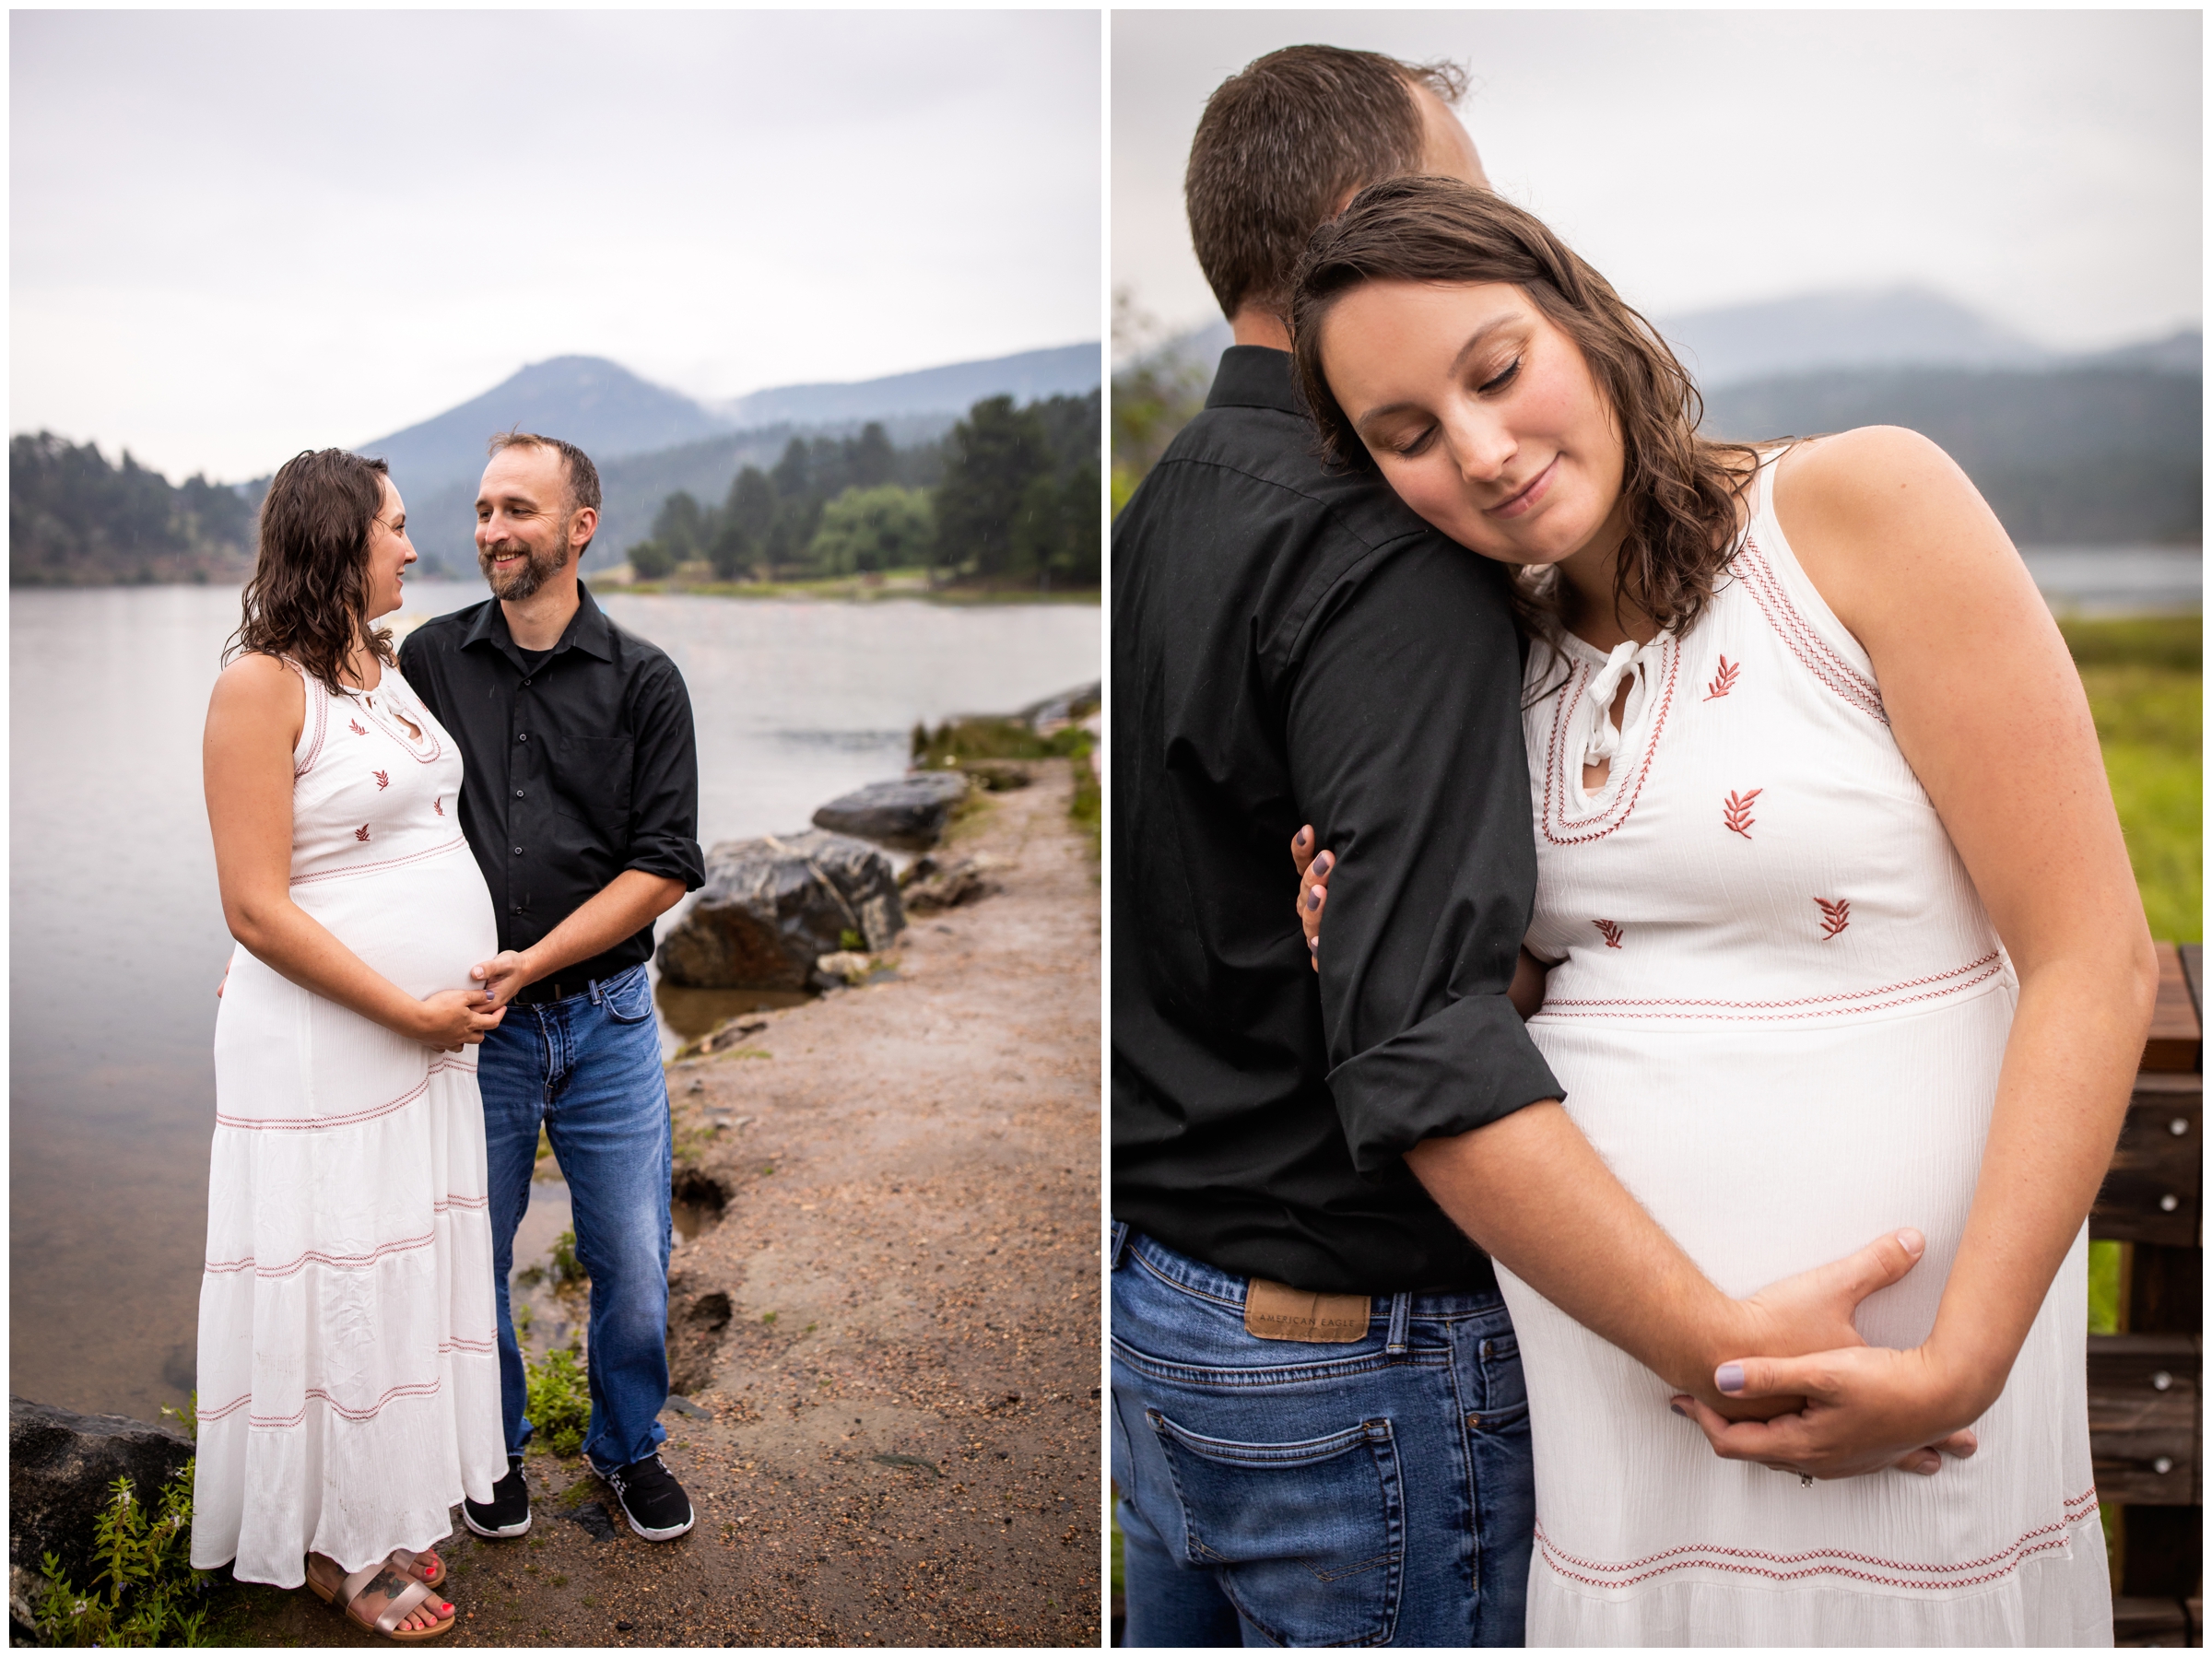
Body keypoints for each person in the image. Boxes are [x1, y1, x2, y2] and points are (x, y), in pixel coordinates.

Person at [1111, 46, 1969, 1649]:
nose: (1505, 224)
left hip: (1166, 1316)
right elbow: (1421, 1026)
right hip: (1360, 1348)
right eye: (1470, 197)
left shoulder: (1162, 507)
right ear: (1379, 230)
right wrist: (1707, 1339)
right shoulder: (1391, 546)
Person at [1287, 175, 2150, 1643]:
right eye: (1408, 436)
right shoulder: (1481, 649)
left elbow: (2091, 958)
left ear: (1585, 316)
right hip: (1633, 1387)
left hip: (1930, 1372)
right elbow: (1542, 1005)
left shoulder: (1859, 509)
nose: (1482, 453)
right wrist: (1383, 945)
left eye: (1497, 372)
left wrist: (1967, 1356)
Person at [194, 448, 503, 1639]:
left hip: (421, 1043)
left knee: (399, 1271)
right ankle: (336, 1546)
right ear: (336, 543)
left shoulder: (384, 664)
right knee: (338, 1282)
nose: (415, 549)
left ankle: (379, 1504)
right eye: (396, 528)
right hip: (331, 1043)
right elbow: (255, 905)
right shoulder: (258, 689)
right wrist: (408, 1006)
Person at [398, 431, 705, 1544]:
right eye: (482, 510)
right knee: (468, 1252)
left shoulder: (645, 681)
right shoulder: (426, 662)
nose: (491, 532)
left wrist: (542, 957)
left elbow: (665, 861)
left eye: (517, 510)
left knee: (631, 1254)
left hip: (610, 1018)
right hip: (475, 1029)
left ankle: (629, 1449)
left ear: (581, 526)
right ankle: (492, 1449)